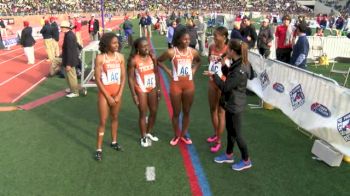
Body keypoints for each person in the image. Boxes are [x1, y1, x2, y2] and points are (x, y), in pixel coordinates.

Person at [203, 39, 252, 171]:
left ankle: (246, 160)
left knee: (237, 134)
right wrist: (224, 66)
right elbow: (232, 77)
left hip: (235, 104)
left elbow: (226, 87)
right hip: (232, 102)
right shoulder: (239, 63)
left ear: (232, 51)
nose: (226, 52)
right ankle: (229, 155)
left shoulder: (240, 68)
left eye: (228, 49)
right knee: (231, 131)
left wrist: (214, 76)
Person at [157, 28, 201, 146]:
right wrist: (168, 71)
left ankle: (184, 134)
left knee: (186, 111)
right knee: (176, 113)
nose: (187, 41)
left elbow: (198, 61)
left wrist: (194, 70)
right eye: (185, 39)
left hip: (189, 85)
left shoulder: (193, 52)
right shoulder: (171, 52)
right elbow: (158, 61)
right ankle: (176, 135)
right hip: (176, 85)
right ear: (179, 40)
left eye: (188, 39)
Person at [94, 32, 126, 160]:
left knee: (115, 117)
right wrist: (107, 96)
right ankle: (99, 148)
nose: (117, 45)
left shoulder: (121, 57)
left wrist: (119, 95)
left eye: (117, 42)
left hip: (117, 92)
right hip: (105, 93)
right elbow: (97, 79)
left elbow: (123, 78)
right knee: (103, 121)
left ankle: (114, 141)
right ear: (107, 45)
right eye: (114, 43)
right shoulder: (100, 58)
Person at [127, 37, 161, 147]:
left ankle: (149, 132)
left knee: (154, 111)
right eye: (143, 46)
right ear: (137, 48)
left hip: (152, 87)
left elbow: (156, 73)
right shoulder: (134, 60)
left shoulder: (152, 57)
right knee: (143, 113)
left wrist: (159, 88)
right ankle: (143, 137)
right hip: (141, 88)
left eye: (147, 45)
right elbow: (131, 78)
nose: (147, 48)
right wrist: (134, 95)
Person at [206, 26, 229, 153]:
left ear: (224, 37)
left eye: (216, 35)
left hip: (223, 84)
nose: (214, 37)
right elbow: (209, 59)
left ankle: (219, 140)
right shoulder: (211, 47)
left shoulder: (229, 49)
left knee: (221, 113)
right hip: (212, 82)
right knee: (212, 109)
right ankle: (216, 133)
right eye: (214, 35)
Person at [60, 21, 80, 98]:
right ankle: (71, 88)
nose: (61, 28)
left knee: (72, 77)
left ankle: (75, 92)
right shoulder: (68, 34)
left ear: (65, 28)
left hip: (70, 60)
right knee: (68, 76)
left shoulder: (69, 36)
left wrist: (68, 64)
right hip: (68, 59)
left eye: (62, 27)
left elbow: (70, 51)